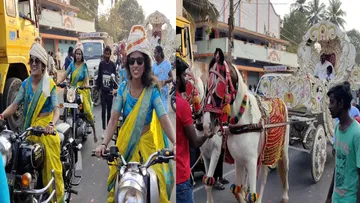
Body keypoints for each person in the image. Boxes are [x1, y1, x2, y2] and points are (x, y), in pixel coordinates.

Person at [94, 25, 176, 203]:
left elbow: (163, 119)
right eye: (132, 61)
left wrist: (176, 143)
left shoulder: (152, 91)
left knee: (156, 191)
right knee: (117, 194)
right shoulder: (123, 89)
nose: (135, 65)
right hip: (125, 148)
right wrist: (103, 144)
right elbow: (114, 119)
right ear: (127, 63)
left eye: (140, 61)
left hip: (147, 150)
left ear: (146, 63)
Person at [0, 43, 64, 202]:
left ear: (43, 65)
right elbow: (14, 105)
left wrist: (51, 125)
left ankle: (56, 195)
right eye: (31, 60)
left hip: (45, 131)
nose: (34, 64)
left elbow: (56, 109)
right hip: (29, 129)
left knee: (51, 163)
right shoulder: (25, 84)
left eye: (37, 61)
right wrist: (1, 115)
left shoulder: (47, 84)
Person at [176, 56, 212, 203]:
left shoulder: (172, 102)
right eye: (184, 76)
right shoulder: (183, 105)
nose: (187, 80)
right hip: (182, 178)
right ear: (177, 79)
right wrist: (207, 134)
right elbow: (195, 142)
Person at [326, 81, 360, 203]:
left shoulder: (357, 133)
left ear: (340, 104)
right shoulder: (337, 128)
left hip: (350, 199)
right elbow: (337, 166)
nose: (329, 107)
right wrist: (329, 196)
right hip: (336, 197)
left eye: (331, 102)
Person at [57, 42, 97, 143]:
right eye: (77, 53)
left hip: (82, 91)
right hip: (72, 90)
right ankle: (66, 119)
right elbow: (65, 74)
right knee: (66, 104)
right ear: (74, 54)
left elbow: (87, 78)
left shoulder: (84, 66)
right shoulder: (71, 64)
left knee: (87, 111)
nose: (78, 56)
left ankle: (94, 131)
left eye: (80, 54)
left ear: (82, 55)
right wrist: (58, 82)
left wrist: (86, 85)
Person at [208, 48, 230, 189]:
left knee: (221, 151)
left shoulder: (223, 79)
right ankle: (215, 180)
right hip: (215, 120)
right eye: (215, 56)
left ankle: (220, 177)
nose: (216, 58)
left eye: (218, 57)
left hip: (222, 119)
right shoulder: (212, 81)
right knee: (216, 151)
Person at [96, 46, 118, 139]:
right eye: (105, 53)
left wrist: (115, 89)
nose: (107, 55)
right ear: (103, 54)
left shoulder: (112, 65)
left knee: (109, 111)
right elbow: (100, 76)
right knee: (103, 111)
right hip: (103, 92)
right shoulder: (101, 64)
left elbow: (114, 78)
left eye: (108, 54)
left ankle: (108, 130)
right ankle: (104, 130)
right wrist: (97, 87)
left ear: (110, 54)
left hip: (110, 92)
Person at [152, 46, 173, 113]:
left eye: (155, 53)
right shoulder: (154, 65)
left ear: (160, 53)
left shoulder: (166, 64)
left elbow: (171, 78)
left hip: (163, 92)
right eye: (154, 53)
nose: (154, 55)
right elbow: (151, 77)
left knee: (163, 112)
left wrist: (165, 81)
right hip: (155, 91)